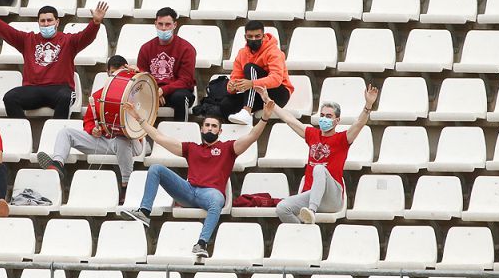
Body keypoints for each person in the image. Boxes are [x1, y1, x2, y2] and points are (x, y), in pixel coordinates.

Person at [122, 106, 272, 258]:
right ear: (201, 129)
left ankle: (202, 243)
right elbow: (160, 138)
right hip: (188, 190)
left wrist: (264, 118)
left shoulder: (228, 148)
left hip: (210, 194)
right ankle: (144, 212)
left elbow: (252, 136)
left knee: (217, 199)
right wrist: (139, 118)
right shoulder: (191, 148)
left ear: (220, 132)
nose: (210, 128)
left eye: (214, 126)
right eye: (207, 125)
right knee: (156, 169)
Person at [0, 0, 108, 118]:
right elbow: (7, 31)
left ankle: (54, 135)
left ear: (57, 22)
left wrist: (95, 22)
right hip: (33, 89)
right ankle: (24, 131)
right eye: (42, 21)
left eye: (49, 20)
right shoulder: (27, 40)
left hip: (59, 89)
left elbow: (86, 36)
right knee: (10, 98)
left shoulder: (68, 41)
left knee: (66, 97)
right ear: (38, 22)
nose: (46, 24)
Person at [264, 84, 377, 224]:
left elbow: (359, 123)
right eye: (322, 115)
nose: (324, 119)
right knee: (282, 208)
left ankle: (311, 211)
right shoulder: (312, 134)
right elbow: (289, 119)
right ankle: (303, 231)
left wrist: (368, 105)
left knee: (319, 168)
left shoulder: (343, 139)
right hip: (310, 194)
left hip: (331, 198)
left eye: (329, 116)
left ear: (337, 121)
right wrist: (267, 99)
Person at [36, 55, 144, 190]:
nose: (116, 77)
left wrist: (138, 74)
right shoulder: (98, 96)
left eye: (120, 73)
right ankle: (57, 165)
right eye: (112, 74)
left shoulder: (137, 92)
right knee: (66, 133)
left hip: (130, 142)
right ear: (107, 73)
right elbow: (88, 121)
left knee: (122, 141)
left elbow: (150, 90)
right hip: (104, 140)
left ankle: (126, 186)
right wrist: (93, 129)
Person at [137, 7, 196, 122]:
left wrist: (163, 91)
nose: (163, 28)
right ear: (155, 24)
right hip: (153, 90)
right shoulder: (146, 48)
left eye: (168, 24)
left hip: (177, 91)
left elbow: (185, 80)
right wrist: (154, 91)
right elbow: (142, 76)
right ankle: (140, 136)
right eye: (160, 24)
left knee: (180, 97)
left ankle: (181, 134)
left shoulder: (186, 48)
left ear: (175, 25)